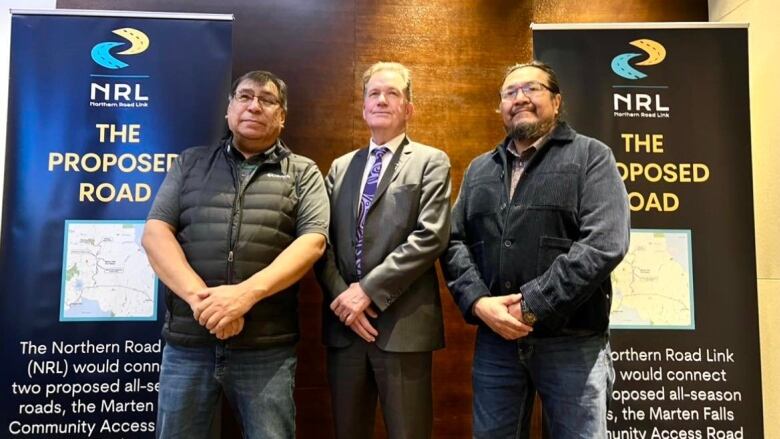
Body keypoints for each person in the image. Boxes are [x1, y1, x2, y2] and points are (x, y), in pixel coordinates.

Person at [442, 61, 630, 439]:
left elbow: (605, 244)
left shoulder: (592, 157)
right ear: (500, 107)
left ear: (557, 101)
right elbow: (453, 241)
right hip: (497, 344)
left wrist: (531, 305)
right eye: (510, 93)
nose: (520, 98)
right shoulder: (480, 169)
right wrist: (479, 302)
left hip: (573, 344)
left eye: (532, 89)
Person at [142, 70, 329, 439]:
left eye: (267, 99)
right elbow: (154, 234)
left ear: (282, 115)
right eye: (244, 97)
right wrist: (204, 302)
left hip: (265, 349)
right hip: (188, 343)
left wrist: (244, 296)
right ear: (229, 109)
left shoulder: (303, 173)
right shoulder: (190, 163)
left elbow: (314, 242)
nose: (254, 106)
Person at [316, 61, 451, 439]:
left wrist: (367, 292)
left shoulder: (430, 161)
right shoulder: (341, 167)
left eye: (393, 93)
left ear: (408, 108)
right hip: (346, 327)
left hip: (403, 327)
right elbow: (319, 242)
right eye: (374, 93)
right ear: (363, 107)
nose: (382, 100)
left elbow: (431, 237)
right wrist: (345, 298)